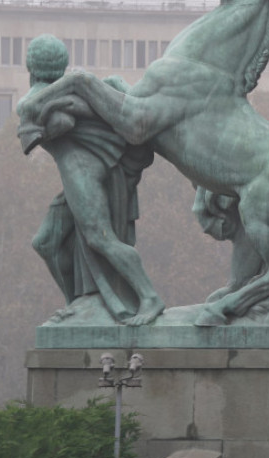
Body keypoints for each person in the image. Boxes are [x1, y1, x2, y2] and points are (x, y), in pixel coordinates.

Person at [16, 34, 164, 326]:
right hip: (77, 174)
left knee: (101, 238)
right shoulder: (72, 92)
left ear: (29, 66)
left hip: (83, 173)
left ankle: (149, 297)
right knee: (46, 242)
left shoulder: (34, 99)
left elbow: (60, 122)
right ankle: (78, 305)